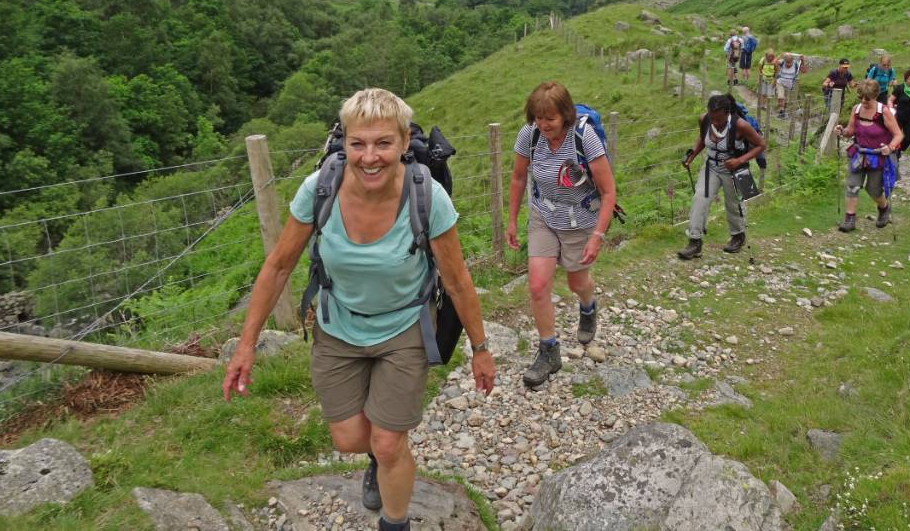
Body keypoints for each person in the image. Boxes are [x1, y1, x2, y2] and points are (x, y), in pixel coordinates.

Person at [223, 89, 495, 531]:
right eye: (358, 144)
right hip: (338, 326)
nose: (370, 157)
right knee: (350, 439)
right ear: (344, 143)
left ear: (405, 142)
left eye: (383, 143)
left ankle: (395, 519)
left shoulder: (427, 198)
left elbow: (458, 280)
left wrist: (480, 348)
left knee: (388, 444)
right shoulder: (320, 189)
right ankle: (377, 456)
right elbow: (277, 266)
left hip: (405, 327)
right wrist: (246, 345)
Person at [507, 82, 617, 388]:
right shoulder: (529, 135)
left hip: (580, 219)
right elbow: (517, 178)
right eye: (538, 118)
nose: (544, 125)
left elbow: (609, 193)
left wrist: (597, 235)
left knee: (575, 281)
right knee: (538, 285)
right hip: (544, 215)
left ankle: (588, 305)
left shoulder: (585, 138)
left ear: (565, 116)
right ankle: (549, 350)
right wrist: (512, 221)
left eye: (550, 119)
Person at [678, 94, 766, 259]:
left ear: (728, 113)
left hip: (735, 170)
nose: (715, 123)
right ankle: (694, 242)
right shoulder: (704, 119)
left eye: (719, 119)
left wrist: (739, 160)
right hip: (711, 166)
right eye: (712, 119)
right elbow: (702, 139)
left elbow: (761, 145)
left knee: (734, 204)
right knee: (699, 198)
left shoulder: (740, 125)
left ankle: (738, 236)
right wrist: (692, 155)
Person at [835, 79, 903, 232]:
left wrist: (890, 147)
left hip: (878, 156)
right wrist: (842, 131)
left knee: (873, 189)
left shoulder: (883, 111)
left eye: (868, 99)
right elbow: (850, 131)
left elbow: (898, 135)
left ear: (875, 96)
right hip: (859, 154)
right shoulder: (857, 109)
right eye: (861, 98)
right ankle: (850, 219)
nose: (864, 101)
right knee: (852, 185)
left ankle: (884, 208)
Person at [888, 69, 910, 159]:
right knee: (896, 136)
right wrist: (891, 109)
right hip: (898, 116)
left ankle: (899, 150)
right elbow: (890, 100)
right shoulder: (900, 88)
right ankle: (894, 152)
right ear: (906, 79)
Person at [775, 52, 806, 119]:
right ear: (784, 61)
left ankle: (786, 112)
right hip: (781, 82)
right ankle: (781, 112)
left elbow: (804, 71)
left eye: (790, 63)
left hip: (790, 84)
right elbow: (774, 62)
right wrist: (780, 55)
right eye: (787, 63)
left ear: (792, 61)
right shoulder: (782, 62)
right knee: (781, 97)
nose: (788, 65)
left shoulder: (795, 64)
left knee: (788, 100)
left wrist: (802, 61)